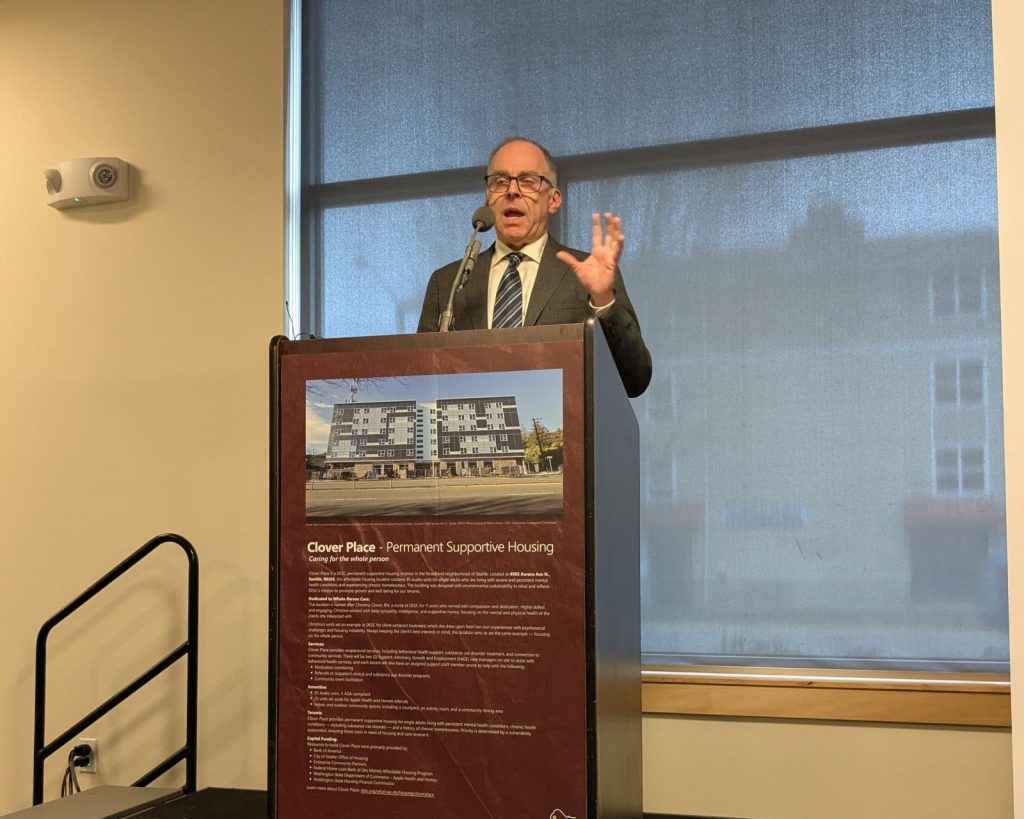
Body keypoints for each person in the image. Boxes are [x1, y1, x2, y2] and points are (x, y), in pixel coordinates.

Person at [417, 137, 652, 398]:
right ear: (487, 199)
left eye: (528, 181)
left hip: (558, 434)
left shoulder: (589, 275)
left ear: (553, 200)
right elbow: (422, 384)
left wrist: (604, 301)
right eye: (500, 181)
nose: (512, 191)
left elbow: (634, 379)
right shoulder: (448, 283)